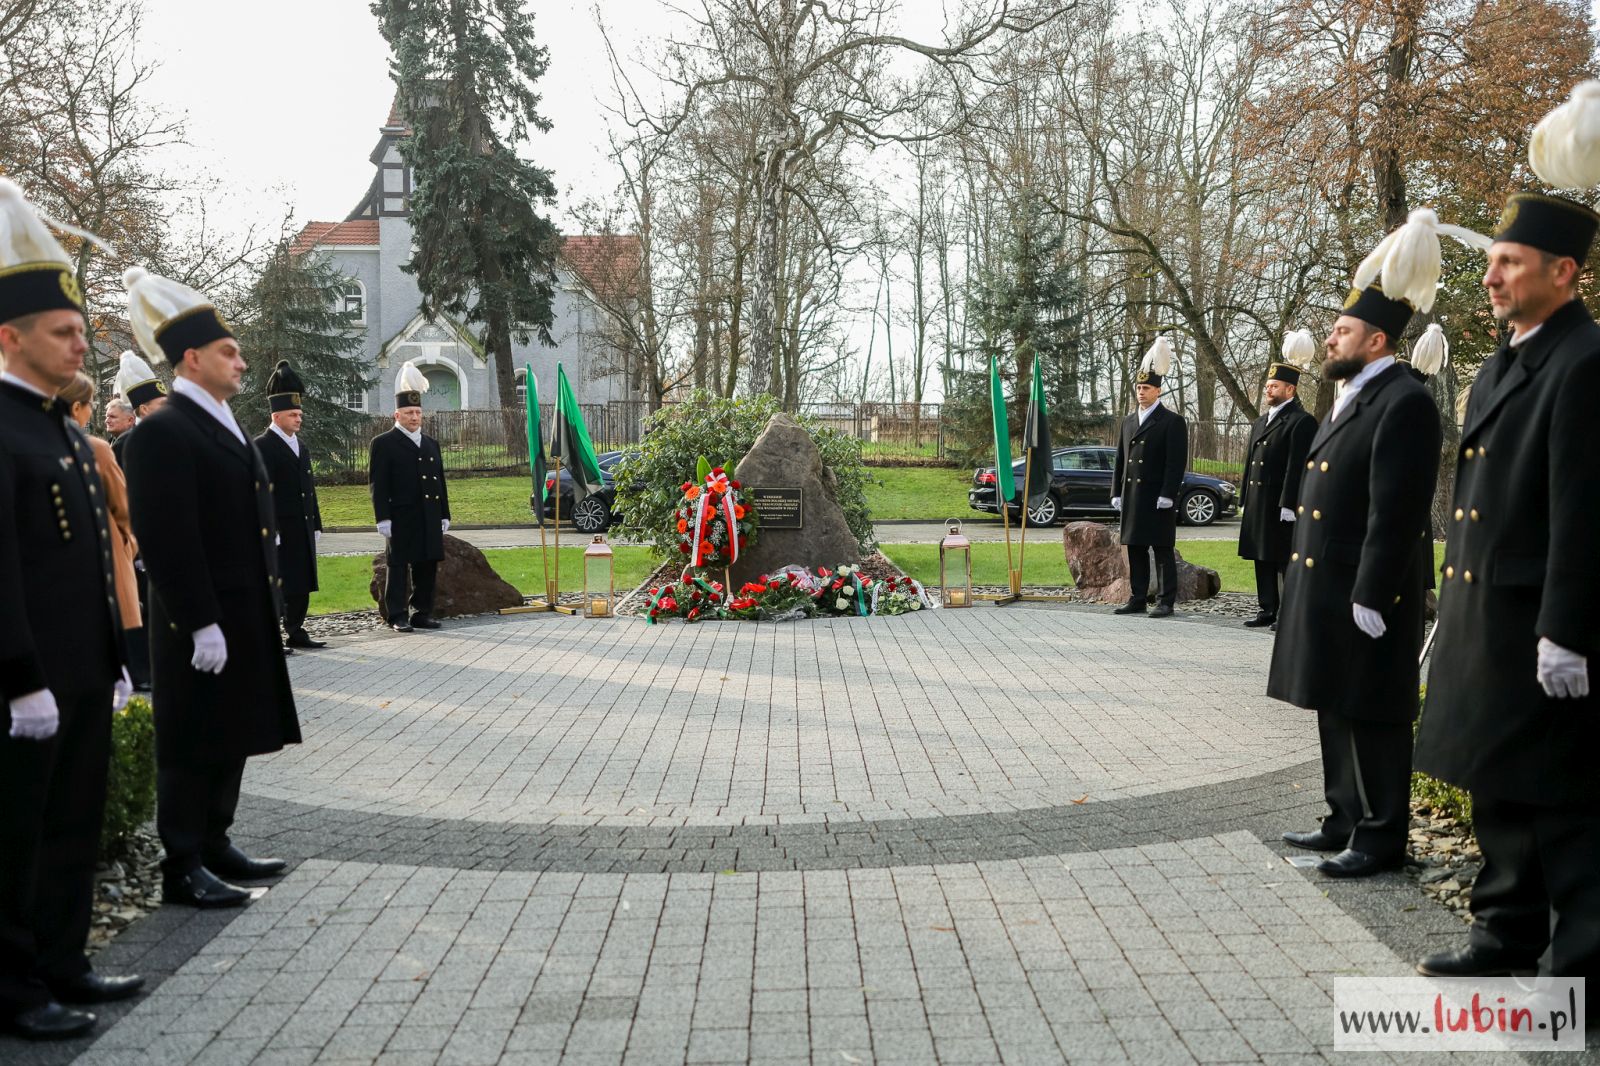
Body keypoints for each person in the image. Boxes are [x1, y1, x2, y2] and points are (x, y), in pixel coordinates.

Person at [1413, 90, 1600, 982]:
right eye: (1488, 261)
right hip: (1487, 615)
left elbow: (1585, 507)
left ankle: (1584, 973)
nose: (1489, 277)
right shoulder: (1504, 360)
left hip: (1541, 623)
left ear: (1565, 272)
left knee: (1563, 805)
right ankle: (1503, 936)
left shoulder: (1585, 362)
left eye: (1510, 263)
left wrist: (1568, 627)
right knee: (1501, 788)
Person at [0, 177, 141, 1041]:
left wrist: (119, 659)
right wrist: (20, 679)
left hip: (83, 671)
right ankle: (15, 991)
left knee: (74, 823)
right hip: (29, 683)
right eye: (63, 331)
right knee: (16, 835)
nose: (79, 341)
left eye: (82, 328)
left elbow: (93, 555)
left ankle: (64, 962)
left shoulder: (56, 425)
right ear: (10, 337)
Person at [122, 266, 300, 910]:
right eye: (230, 352)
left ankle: (217, 841)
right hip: (199, 621)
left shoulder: (222, 420)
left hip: (242, 609)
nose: (243, 363)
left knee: (233, 728)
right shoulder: (162, 432)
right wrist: (197, 621)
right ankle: (183, 860)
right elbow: (167, 538)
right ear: (191, 359)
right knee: (193, 737)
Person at [1268, 280, 1441, 879]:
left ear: (1376, 340)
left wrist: (1375, 592)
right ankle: (1344, 816)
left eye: (1340, 331)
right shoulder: (1351, 394)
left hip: (1366, 586)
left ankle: (1381, 835)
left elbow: (1396, 508)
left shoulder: (1404, 399)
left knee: (1372, 710)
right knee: (1333, 701)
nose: (1329, 340)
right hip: (1328, 579)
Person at [1237, 346, 1316, 628]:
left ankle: (1287, 614)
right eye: (1268, 386)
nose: (1268, 390)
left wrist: (1290, 503)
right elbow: (1251, 461)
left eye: (1275, 386)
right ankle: (1267, 609)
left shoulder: (1301, 421)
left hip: (1281, 502)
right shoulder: (1261, 421)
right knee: (1262, 556)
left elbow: (1297, 466)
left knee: (1283, 560)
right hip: (1259, 499)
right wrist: (1244, 496)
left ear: (1290, 390)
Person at [370, 360, 451, 633]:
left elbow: (440, 482)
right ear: (397, 415)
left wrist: (444, 513)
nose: (414, 417)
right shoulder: (383, 443)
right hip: (401, 515)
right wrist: (383, 517)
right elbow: (378, 485)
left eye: (417, 412)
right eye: (408, 412)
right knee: (398, 565)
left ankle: (422, 612)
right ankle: (397, 615)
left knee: (427, 564)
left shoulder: (430, 444)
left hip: (428, 514)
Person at [60, 373, 141, 639]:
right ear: (75, 408)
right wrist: (128, 545)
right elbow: (124, 510)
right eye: (91, 405)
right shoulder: (95, 449)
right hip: (105, 564)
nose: (96, 413)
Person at [1111, 338, 1188, 618]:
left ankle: (1166, 601)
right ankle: (1138, 597)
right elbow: (1120, 458)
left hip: (1157, 497)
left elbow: (1175, 462)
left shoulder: (1172, 421)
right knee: (1135, 548)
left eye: (1146, 388)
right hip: (1133, 495)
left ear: (1158, 390)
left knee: (1163, 550)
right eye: (1139, 388)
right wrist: (1115, 492)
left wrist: (1168, 493)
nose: (1141, 393)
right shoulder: (1129, 421)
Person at [254, 361, 324, 652]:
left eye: (300, 414)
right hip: (280, 526)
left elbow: (309, 489)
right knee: (279, 582)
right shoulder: (263, 445)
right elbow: (261, 492)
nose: (299, 419)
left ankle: (296, 629)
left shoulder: (301, 445)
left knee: (301, 581)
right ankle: (273, 633)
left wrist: (316, 523)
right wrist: (271, 527)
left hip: (302, 525)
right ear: (276, 415)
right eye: (293, 415)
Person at [112, 348, 167, 692]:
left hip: (164, 539)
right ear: (145, 408)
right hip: (136, 542)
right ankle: (139, 671)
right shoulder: (128, 443)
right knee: (139, 609)